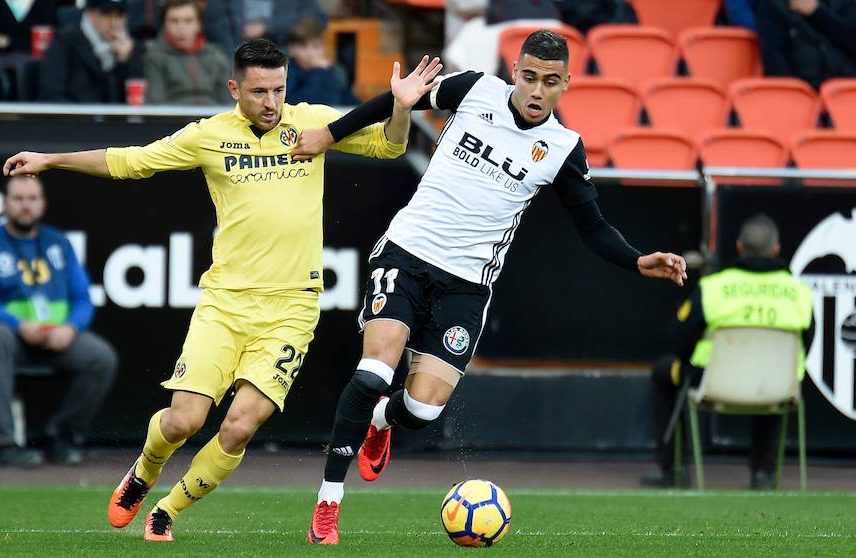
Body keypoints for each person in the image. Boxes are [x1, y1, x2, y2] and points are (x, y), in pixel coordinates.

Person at [3, 39, 441, 541]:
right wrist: (52, 160)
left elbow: (389, 145)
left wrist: (401, 109)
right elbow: (131, 161)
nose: (271, 102)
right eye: (258, 91)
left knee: (237, 427)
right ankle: (144, 472)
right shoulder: (209, 135)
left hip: (292, 308)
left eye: (278, 89)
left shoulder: (313, 121)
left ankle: (167, 509)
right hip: (225, 304)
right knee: (182, 422)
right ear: (235, 89)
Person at [290, 29, 688, 545]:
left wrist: (638, 261)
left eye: (550, 81)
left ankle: (384, 421)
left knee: (423, 410)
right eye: (528, 76)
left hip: (468, 284)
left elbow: (592, 227)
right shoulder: (474, 89)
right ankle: (327, 505)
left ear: (566, 84)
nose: (536, 90)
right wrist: (329, 133)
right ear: (514, 71)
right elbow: (398, 98)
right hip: (408, 253)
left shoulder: (563, 149)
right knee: (373, 370)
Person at [641, 214, 814, 491]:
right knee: (772, 377)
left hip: (711, 381)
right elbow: (807, 343)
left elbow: (680, 339)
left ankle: (674, 471)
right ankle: (764, 474)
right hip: (778, 386)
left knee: (664, 372)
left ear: (739, 246)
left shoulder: (713, 288)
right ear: (777, 249)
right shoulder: (800, 293)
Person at [0, 175, 117, 467]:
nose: (25, 206)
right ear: (5, 204)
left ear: (42, 204)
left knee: (100, 357)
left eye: (32, 199)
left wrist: (70, 329)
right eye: (18, 199)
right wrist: (18, 325)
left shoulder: (58, 243)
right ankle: (2, 443)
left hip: (56, 338)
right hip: (11, 337)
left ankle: (62, 437)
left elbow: (83, 298)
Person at [38, 0, 143, 103]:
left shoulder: (130, 48)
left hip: (112, 119)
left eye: (119, 16)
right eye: (106, 15)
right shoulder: (65, 42)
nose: (114, 24)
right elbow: (52, 95)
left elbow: (133, 100)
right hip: (77, 117)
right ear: (90, 14)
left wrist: (124, 62)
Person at [143, 0, 231, 106]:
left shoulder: (215, 55)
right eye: (174, 21)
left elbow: (228, 102)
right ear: (165, 25)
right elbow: (156, 105)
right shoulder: (155, 57)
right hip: (173, 120)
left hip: (213, 120)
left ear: (199, 25)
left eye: (188, 21)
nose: (181, 28)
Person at [755, 0, 856, 89]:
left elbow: (851, 40)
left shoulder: (844, 3)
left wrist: (816, 12)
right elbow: (775, 59)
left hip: (847, 89)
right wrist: (796, 93)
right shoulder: (772, 6)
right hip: (803, 92)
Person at [286, 17, 359, 106]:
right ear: (292, 49)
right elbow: (303, 103)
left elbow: (347, 99)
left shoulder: (333, 71)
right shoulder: (287, 73)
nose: (310, 53)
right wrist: (320, 72)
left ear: (324, 48)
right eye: (303, 46)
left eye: (316, 46)